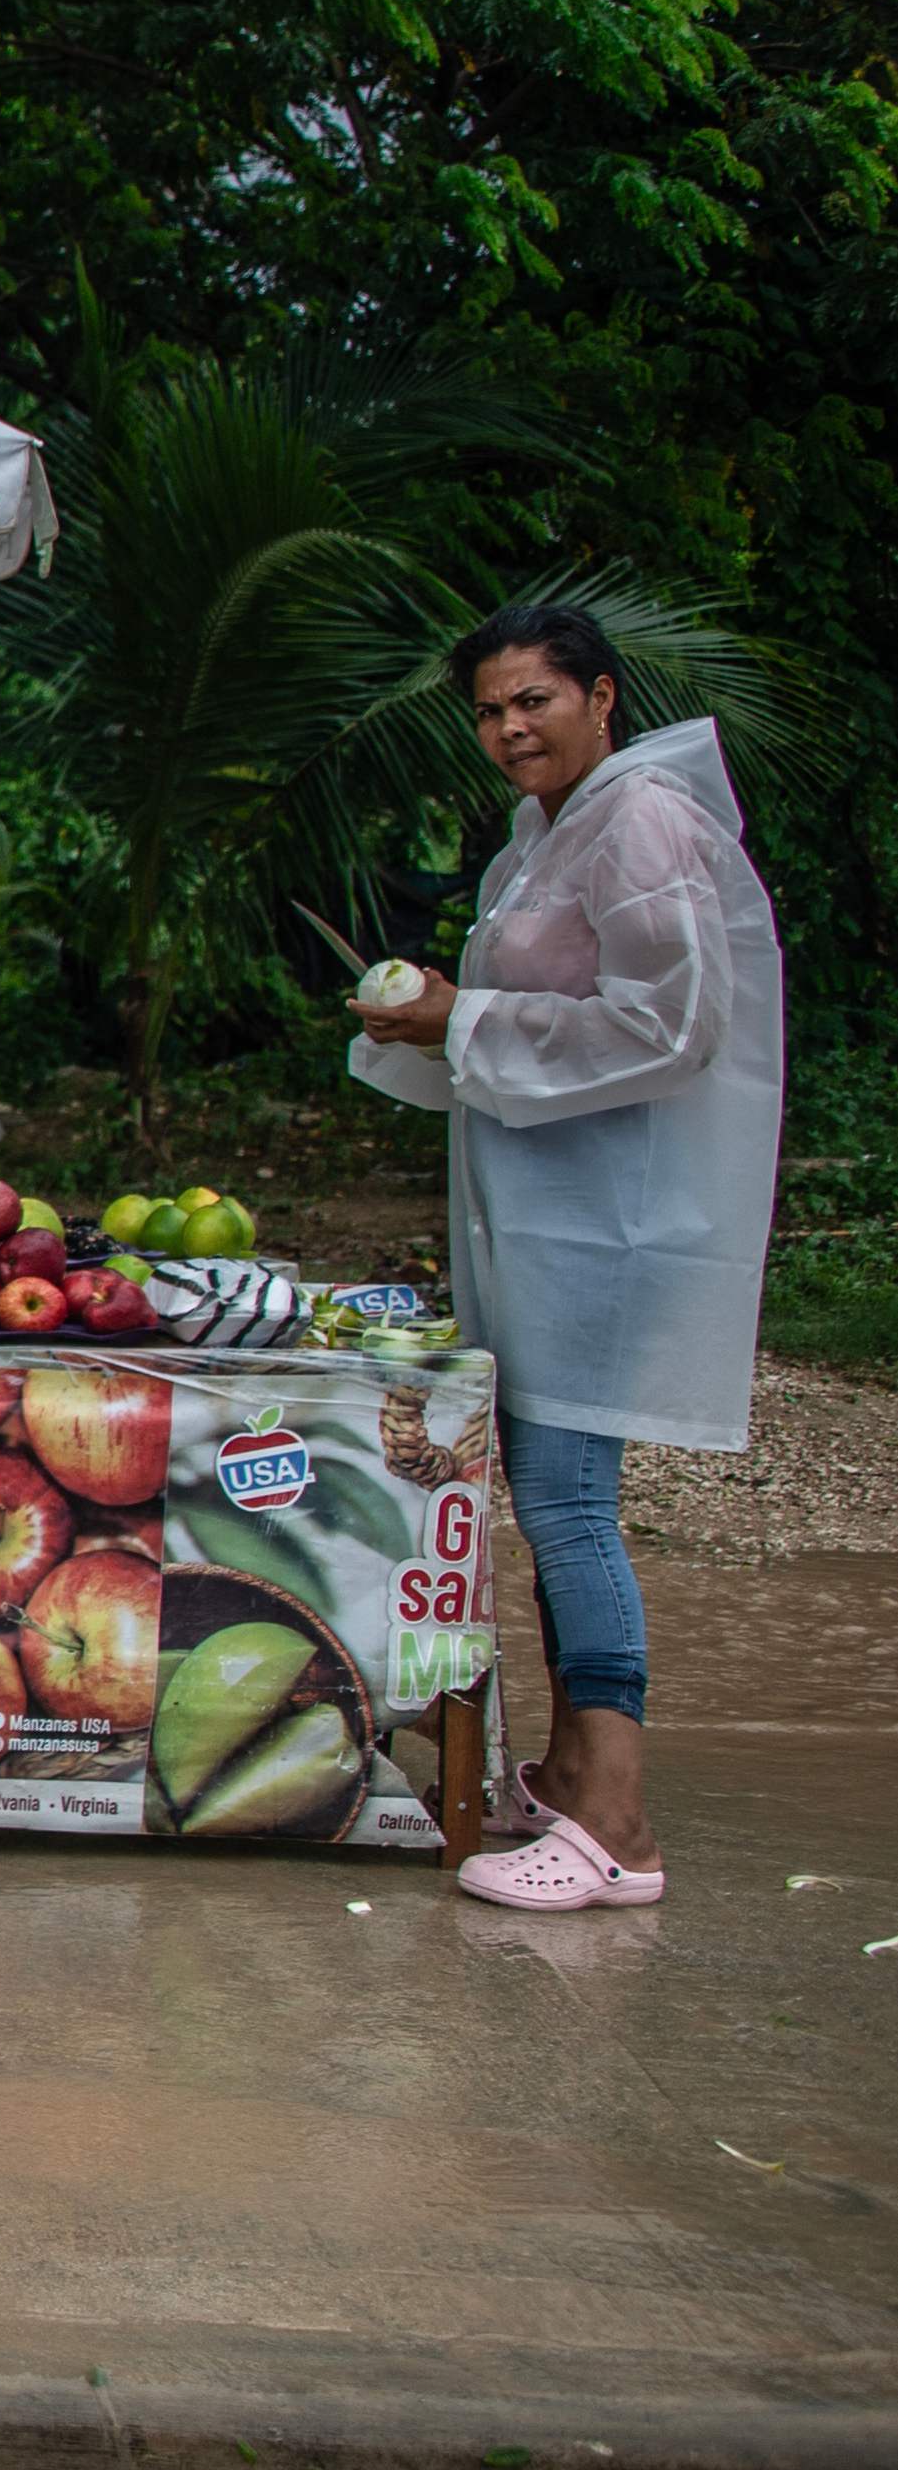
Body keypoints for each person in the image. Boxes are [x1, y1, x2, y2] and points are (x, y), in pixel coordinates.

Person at [350, 603, 785, 1911]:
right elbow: (524, 1020)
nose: (508, 728)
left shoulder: (640, 818)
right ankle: (569, 1768)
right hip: (547, 1222)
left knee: (573, 1507)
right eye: (488, 709)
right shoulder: (542, 835)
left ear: (601, 698)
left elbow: (673, 1024)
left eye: (533, 699)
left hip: (612, 1226)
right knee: (550, 1501)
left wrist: (465, 1014)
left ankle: (620, 1828)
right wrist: (431, 1023)